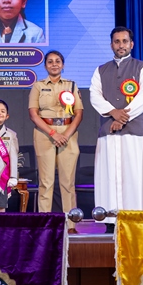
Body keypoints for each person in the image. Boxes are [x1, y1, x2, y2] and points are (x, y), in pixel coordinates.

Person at [90, 27, 143, 231]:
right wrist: (113, 112)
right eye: (117, 41)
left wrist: (122, 118)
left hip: (135, 133)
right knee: (109, 177)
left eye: (124, 41)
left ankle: (136, 221)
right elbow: (95, 96)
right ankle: (110, 221)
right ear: (111, 44)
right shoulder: (100, 70)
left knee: (135, 177)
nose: (121, 45)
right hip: (109, 133)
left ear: (131, 44)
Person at [28, 50, 83, 233]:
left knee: (68, 183)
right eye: (50, 61)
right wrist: (53, 133)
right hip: (45, 134)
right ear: (45, 65)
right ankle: (44, 224)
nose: (54, 64)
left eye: (57, 61)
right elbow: (33, 114)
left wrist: (65, 134)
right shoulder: (38, 86)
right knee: (46, 182)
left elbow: (79, 113)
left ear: (63, 64)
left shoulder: (71, 85)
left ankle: (71, 225)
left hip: (68, 133)